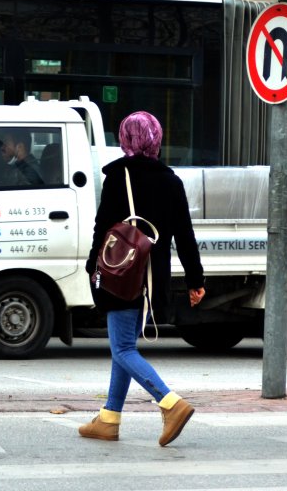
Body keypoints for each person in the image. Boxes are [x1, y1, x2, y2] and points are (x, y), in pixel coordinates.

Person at [80, 111, 206, 446]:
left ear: (125, 139)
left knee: (121, 347)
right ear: (155, 139)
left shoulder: (117, 177)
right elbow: (185, 235)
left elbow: (102, 227)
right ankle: (109, 419)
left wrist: (93, 265)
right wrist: (196, 280)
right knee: (125, 346)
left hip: (120, 273)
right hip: (151, 278)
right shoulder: (170, 180)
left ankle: (170, 403)